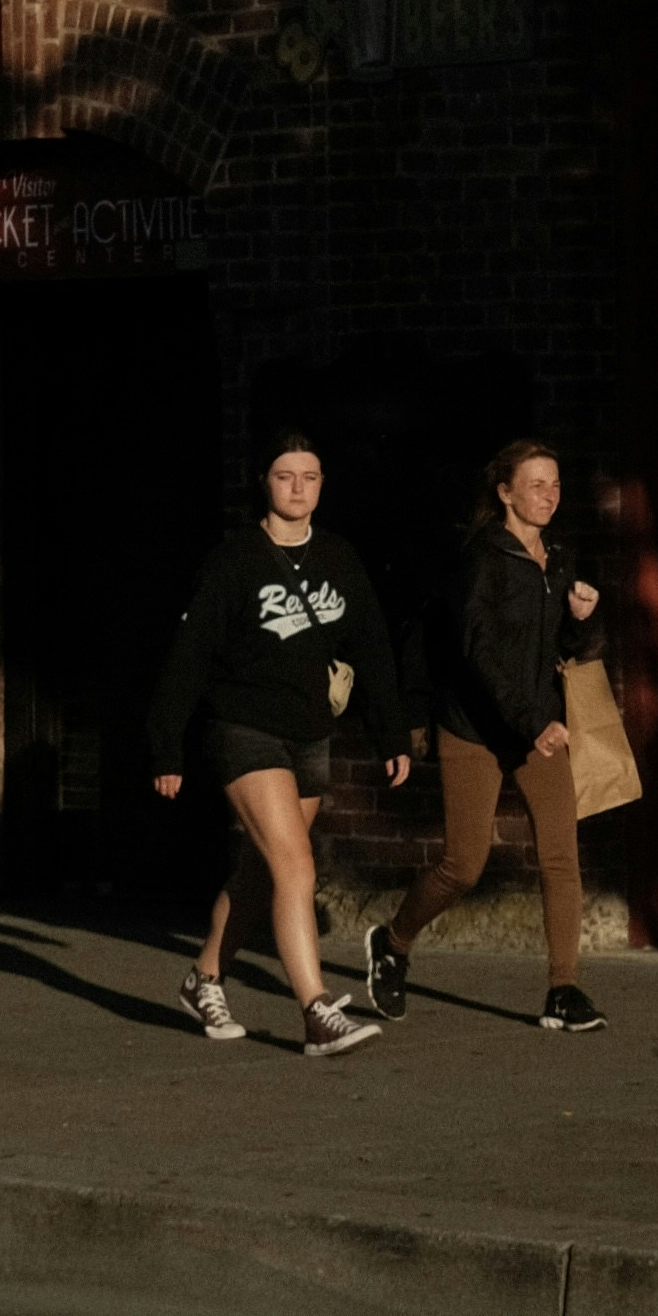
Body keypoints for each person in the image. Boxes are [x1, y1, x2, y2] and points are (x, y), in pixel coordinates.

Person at [148, 438, 410, 1054]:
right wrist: (166, 746)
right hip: (242, 728)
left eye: (311, 476)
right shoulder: (234, 561)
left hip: (310, 734)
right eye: (285, 476)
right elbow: (189, 658)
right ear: (263, 484)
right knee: (295, 865)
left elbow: (371, 644)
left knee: (262, 873)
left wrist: (390, 733)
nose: (298, 487)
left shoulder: (340, 557)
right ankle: (317, 1011)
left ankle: (203, 978)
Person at [370, 437, 607, 1035]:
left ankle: (563, 988)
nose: (548, 495)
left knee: (561, 858)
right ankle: (393, 943)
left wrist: (582, 621)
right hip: (476, 728)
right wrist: (534, 722)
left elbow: (568, 652)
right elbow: (481, 657)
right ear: (505, 493)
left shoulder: (559, 558)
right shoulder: (481, 561)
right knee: (463, 866)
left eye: (555, 485)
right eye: (535, 485)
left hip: (536, 728)